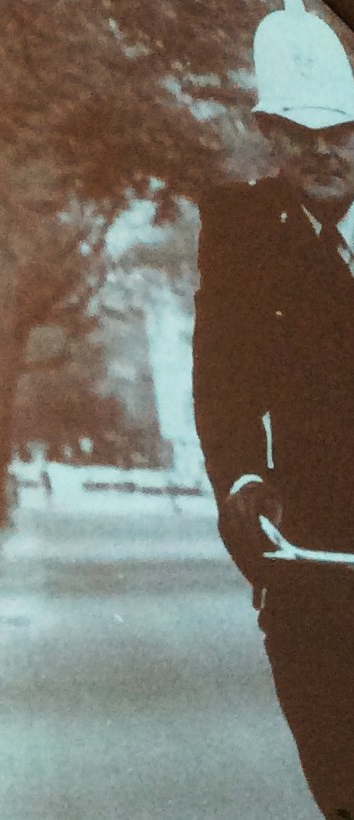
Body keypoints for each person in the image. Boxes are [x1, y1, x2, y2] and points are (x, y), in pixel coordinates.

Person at [193, 2, 354, 817]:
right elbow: (221, 384)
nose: (321, 150)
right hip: (309, 552)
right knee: (339, 776)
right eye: (297, 132)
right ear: (267, 132)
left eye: (340, 129)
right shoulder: (241, 227)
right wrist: (242, 486)